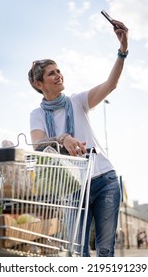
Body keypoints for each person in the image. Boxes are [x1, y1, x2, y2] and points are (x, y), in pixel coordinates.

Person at [28, 18, 129, 257]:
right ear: (39, 83)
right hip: (73, 186)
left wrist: (123, 50)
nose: (58, 75)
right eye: (52, 73)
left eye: (59, 70)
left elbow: (111, 84)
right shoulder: (38, 114)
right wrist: (62, 138)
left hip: (104, 178)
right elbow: (38, 145)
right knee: (78, 251)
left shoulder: (77, 101)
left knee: (105, 249)